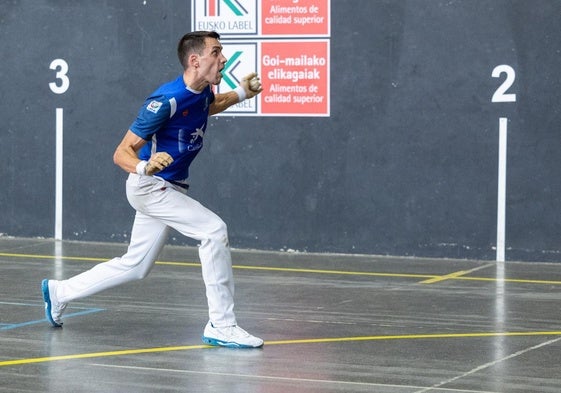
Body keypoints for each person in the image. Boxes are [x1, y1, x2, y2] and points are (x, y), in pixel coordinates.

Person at [41, 31, 264, 348]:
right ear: (195, 60)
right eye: (216, 52)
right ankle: (222, 324)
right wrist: (145, 166)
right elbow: (122, 152)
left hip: (169, 187)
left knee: (136, 265)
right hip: (151, 186)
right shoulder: (165, 100)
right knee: (214, 231)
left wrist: (241, 93)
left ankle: (59, 292)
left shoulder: (201, 92)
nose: (224, 58)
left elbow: (210, 106)